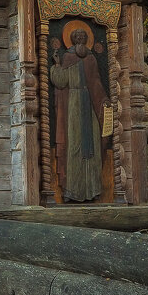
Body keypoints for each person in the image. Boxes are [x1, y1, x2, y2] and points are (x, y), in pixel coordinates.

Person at [50, 27, 106, 202]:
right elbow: (60, 82)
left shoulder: (91, 58)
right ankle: (72, 191)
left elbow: (96, 82)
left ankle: (93, 189)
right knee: (74, 145)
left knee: (93, 145)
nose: (81, 38)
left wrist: (104, 99)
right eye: (78, 36)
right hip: (73, 106)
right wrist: (57, 65)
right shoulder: (68, 57)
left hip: (89, 104)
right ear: (73, 39)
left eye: (84, 36)